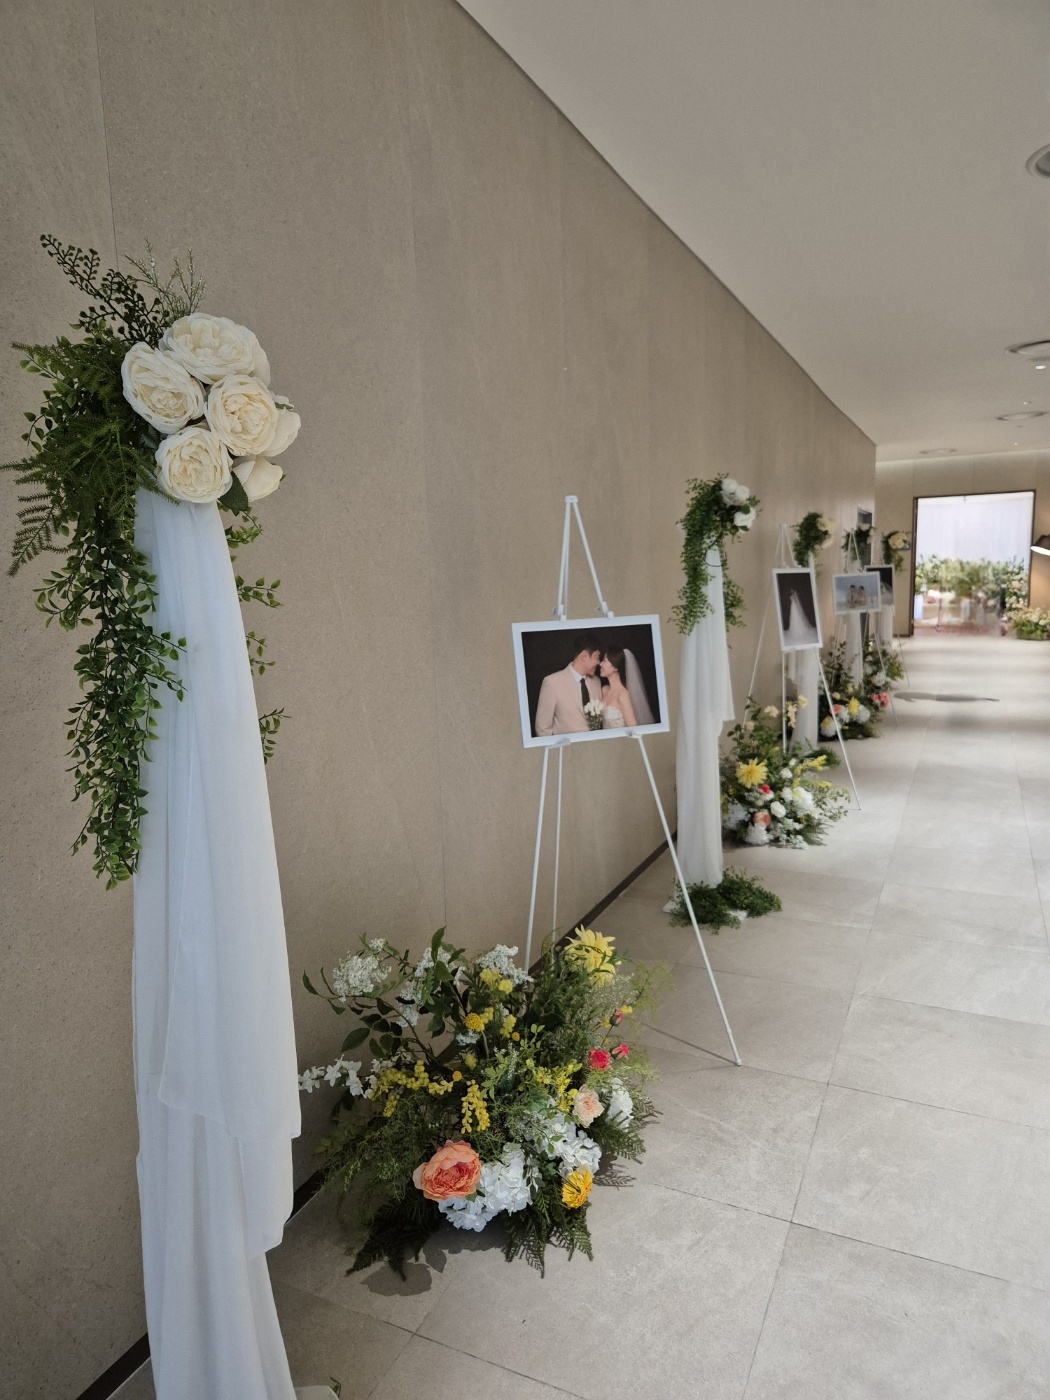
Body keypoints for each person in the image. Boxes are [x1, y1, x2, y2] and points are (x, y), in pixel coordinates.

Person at [533, 633, 602, 736]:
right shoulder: (552, 683)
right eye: (597, 658)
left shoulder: (596, 682)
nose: (599, 663)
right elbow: (542, 729)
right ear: (584, 656)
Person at [598, 644, 638, 728]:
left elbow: (633, 729)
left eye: (604, 660)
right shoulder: (604, 690)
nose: (600, 664)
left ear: (615, 667)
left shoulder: (623, 696)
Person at [781, 581, 818, 648]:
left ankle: (797, 629)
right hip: (793, 608)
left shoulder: (793, 595)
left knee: (795, 618)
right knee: (794, 618)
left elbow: (793, 601)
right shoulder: (793, 595)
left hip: (793, 608)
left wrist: (791, 601)